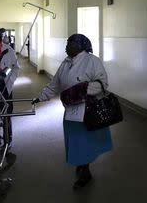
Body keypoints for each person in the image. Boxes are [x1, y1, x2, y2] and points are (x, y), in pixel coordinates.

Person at [32, 34, 112, 190]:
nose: (66, 46)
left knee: (84, 141)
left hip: (87, 108)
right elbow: (54, 83)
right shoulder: (66, 62)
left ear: (80, 46)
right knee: (73, 139)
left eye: (70, 43)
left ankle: (85, 172)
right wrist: (41, 97)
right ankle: (82, 163)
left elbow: (103, 82)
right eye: (67, 43)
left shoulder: (92, 61)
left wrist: (80, 91)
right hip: (71, 110)